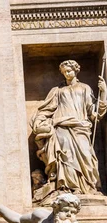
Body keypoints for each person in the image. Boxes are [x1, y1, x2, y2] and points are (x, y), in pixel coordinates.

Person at [31, 60, 106, 195]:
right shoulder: (57, 90)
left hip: (80, 127)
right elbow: (47, 109)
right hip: (61, 127)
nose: (66, 74)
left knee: (86, 155)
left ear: (76, 70)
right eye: (64, 72)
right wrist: (39, 120)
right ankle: (68, 187)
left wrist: (104, 92)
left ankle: (88, 187)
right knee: (66, 155)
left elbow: (93, 113)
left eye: (69, 71)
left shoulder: (85, 88)